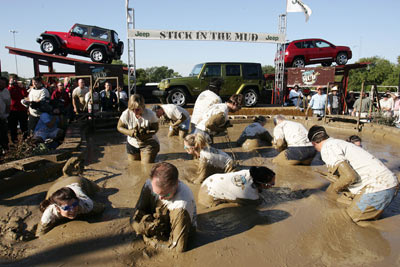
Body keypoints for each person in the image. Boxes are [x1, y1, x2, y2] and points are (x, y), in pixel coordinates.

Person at [307, 125, 399, 225]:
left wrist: (330, 193)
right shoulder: (337, 142)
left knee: (346, 220)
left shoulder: (327, 149)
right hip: (388, 184)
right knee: (341, 201)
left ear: (313, 143)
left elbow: (349, 177)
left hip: (379, 188)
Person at [131, 162, 196, 252]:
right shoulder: (150, 184)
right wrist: (143, 228)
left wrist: (149, 240)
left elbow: (178, 248)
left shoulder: (181, 205)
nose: (160, 197)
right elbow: (134, 218)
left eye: (165, 194)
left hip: (182, 223)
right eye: (156, 192)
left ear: (176, 184)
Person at [36, 176, 104, 237]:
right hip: (55, 187)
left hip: (76, 181)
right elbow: (40, 234)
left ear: (77, 200)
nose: (72, 210)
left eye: (74, 205)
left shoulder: (86, 204)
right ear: (57, 208)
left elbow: (101, 207)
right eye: (66, 208)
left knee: (99, 190)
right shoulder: (49, 214)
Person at [198, 166, 276, 207]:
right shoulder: (251, 195)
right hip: (207, 195)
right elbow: (257, 204)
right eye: (272, 184)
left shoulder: (249, 172)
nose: (273, 185)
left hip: (210, 180)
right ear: (263, 184)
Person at [117, 94, 159, 163]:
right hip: (132, 143)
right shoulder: (126, 113)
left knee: (146, 166)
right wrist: (130, 132)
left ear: (143, 106)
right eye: (132, 109)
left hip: (148, 143)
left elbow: (156, 129)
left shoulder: (151, 114)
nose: (135, 112)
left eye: (137, 109)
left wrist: (146, 133)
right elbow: (119, 127)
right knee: (133, 165)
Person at [8, 75, 28, 143]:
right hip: (13, 110)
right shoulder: (9, 88)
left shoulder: (20, 87)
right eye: (13, 80)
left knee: (24, 126)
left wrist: (22, 87)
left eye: (15, 79)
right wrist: (10, 85)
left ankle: (25, 139)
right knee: (13, 126)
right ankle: (14, 140)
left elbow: (25, 95)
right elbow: (8, 95)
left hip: (22, 109)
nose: (15, 81)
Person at [0, 77, 11, 154]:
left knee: (3, 134)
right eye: (0, 83)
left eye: (3, 83)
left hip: (2, 116)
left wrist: (6, 114)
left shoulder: (6, 91)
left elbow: (8, 104)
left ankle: (5, 149)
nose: (1, 85)